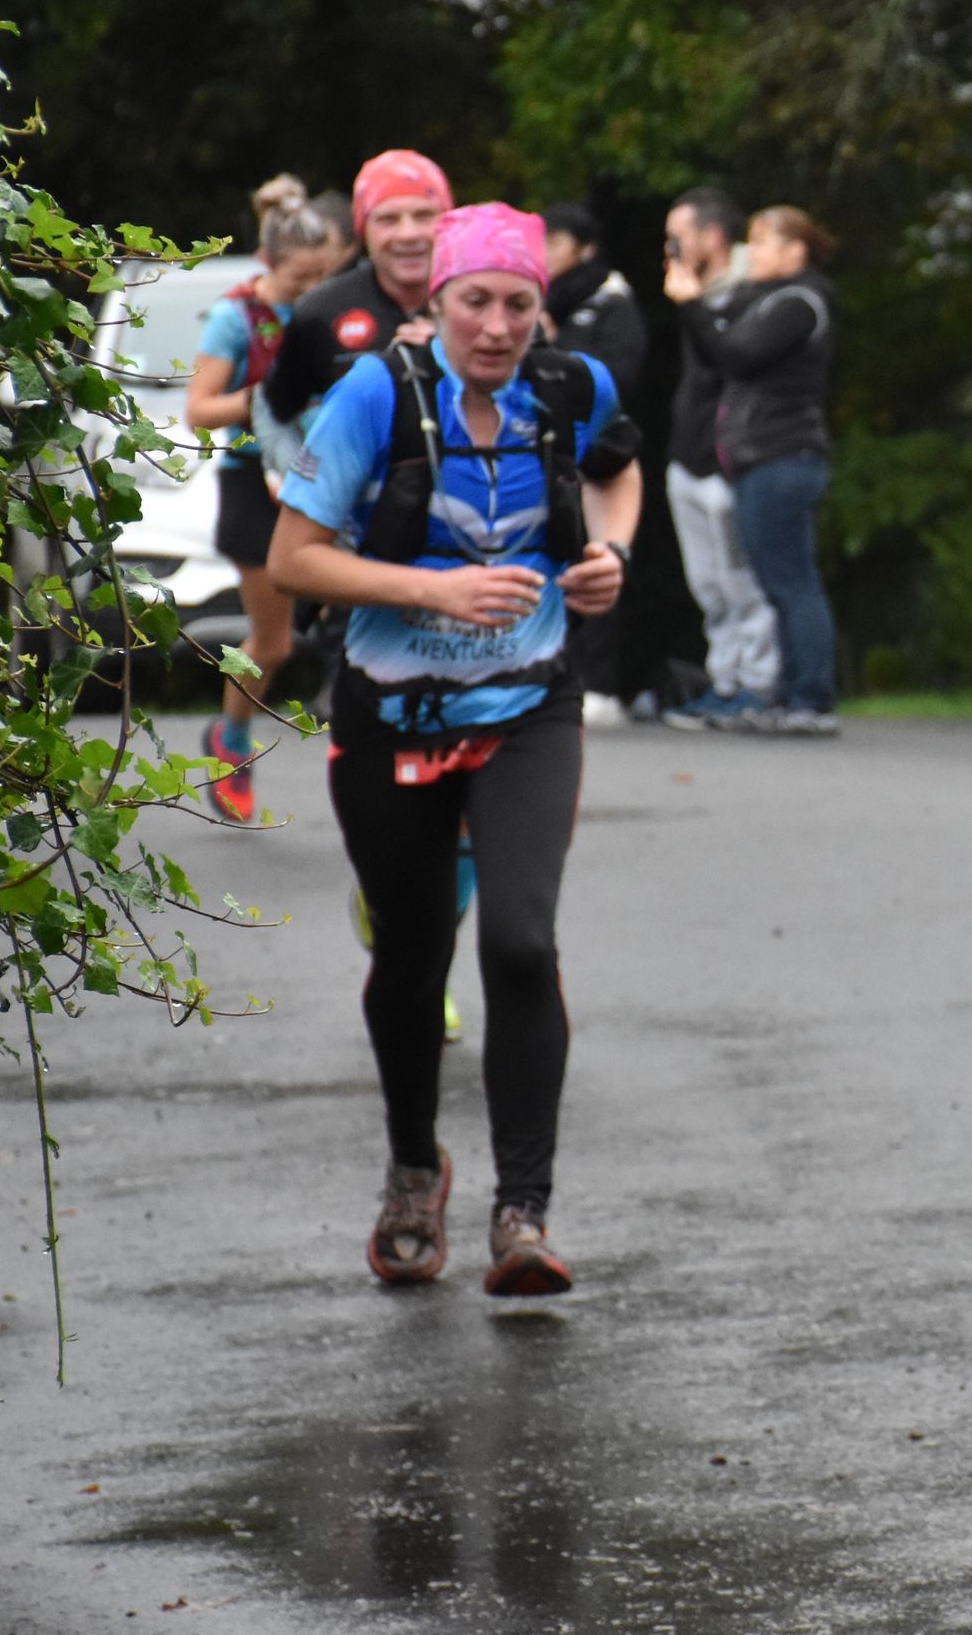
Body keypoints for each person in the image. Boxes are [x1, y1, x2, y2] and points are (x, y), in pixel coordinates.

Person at [268, 203, 644, 1297]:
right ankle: (412, 1167)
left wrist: (611, 553)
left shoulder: (570, 386)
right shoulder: (375, 394)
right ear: (436, 302)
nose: (498, 325)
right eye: (476, 301)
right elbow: (295, 558)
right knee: (412, 952)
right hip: (389, 710)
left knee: (521, 941)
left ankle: (523, 1212)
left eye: (519, 303)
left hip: (529, 704)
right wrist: (433, 590)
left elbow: (621, 468)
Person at [186, 175, 350, 823]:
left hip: (324, 474)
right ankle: (231, 740)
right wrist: (267, 400)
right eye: (299, 280)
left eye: (323, 278)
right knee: (274, 644)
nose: (313, 292)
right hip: (253, 480)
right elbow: (200, 410)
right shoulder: (235, 319)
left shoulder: (331, 310)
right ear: (267, 263)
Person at [672, 205, 840, 737]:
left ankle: (811, 699)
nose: (752, 252)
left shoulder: (799, 303)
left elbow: (736, 354)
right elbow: (720, 346)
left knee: (790, 582)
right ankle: (788, 695)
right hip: (759, 460)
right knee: (775, 582)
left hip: (783, 457)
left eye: (764, 242)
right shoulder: (768, 298)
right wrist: (699, 305)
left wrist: (692, 304)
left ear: (796, 251)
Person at [659, 187, 781, 728]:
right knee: (708, 584)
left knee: (741, 581)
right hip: (687, 455)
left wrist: (691, 305)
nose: (670, 250)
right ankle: (725, 681)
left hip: (728, 460)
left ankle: (758, 683)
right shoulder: (700, 292)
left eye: (677, 238)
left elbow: (732, 361)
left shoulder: (755, 292)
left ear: (711, 237)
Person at [262, 149, 454, 432]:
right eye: (388, 219)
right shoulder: (320, 312)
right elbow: (273, 412)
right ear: (363, 230)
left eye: (424, 215)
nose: (408, 233)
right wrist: (300, 461)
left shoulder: (487, 302)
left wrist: (451, 352)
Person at [543, 204, 645, 728]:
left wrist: (557, 352)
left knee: (596, 561)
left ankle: (599, 683)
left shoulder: (611, 301)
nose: (545, 253)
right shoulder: (527, 300)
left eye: (555, 241)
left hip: (593, 452)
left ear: (585, 247)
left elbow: (619, 379)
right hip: (538, 452)